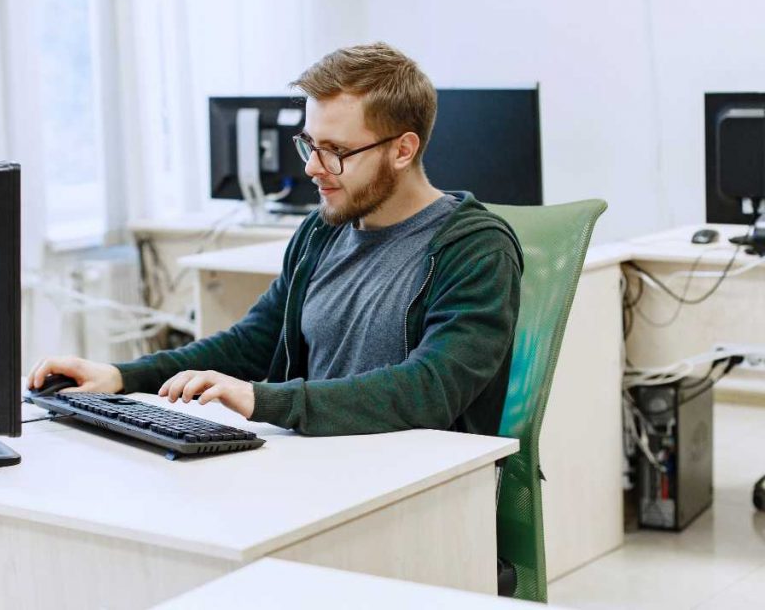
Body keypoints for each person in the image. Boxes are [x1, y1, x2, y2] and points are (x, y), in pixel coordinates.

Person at [29, 41, 523, 436]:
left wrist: (264, 399)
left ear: (402, 150)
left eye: (335, 151)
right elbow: (253, 343)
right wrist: (121, 376)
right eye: (310, 144)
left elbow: (430, 390)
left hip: (420, 486)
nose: (312, 168)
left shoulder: (474, 249)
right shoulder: (321, 233)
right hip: (319, 466)